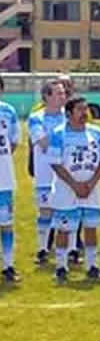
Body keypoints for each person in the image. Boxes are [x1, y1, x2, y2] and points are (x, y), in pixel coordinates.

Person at [46, 95, 100, 283]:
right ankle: (61, 267)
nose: (84, 113)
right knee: (64, 229)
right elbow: (55, 164)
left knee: (90, 228)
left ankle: (92, 266)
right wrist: (74, 185)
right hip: (66, 190)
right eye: (80, 109)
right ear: (69, 113)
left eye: (86, 109)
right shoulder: (58, 134)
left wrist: (90, 184)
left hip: (91, 190)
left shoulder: (97, 133)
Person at [26, 79, 67, 265]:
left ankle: (70, 250)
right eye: (58, 93)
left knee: (68, 212)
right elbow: (43, 143)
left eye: (64, 93)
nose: (63, 97)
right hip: (45, 173)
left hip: (67, 174)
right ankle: (42, 249)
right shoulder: (36, 118)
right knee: (45, 212)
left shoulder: (69, 116)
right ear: (46, 97)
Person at [0, 76, 19, 282]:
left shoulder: (8, 111)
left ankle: (8, 265)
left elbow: (13, 143)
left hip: (3, 178)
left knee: (6, 223)